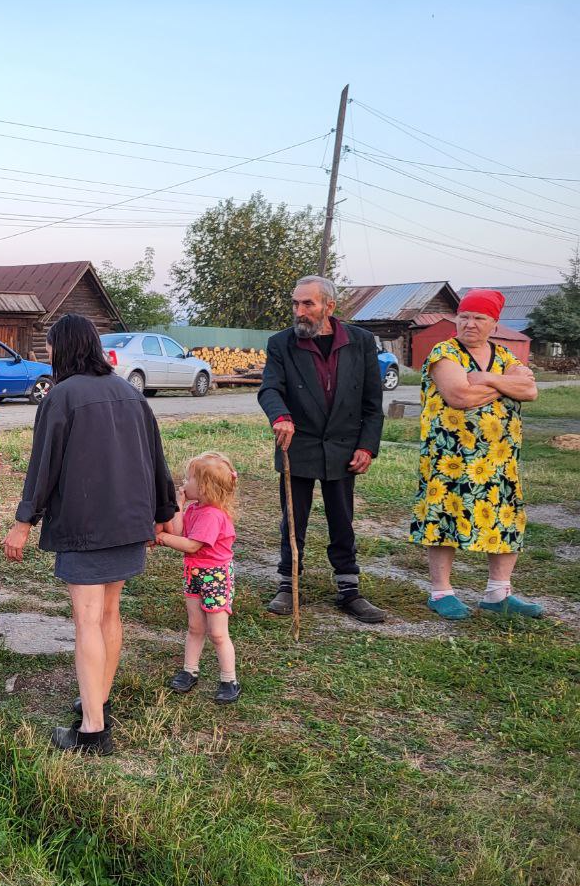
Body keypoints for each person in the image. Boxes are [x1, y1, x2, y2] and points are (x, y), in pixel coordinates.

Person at [3, 314, 177, 756]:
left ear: (63, 348)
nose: (46, 353)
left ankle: (92, 730)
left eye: (48, 346)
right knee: (109, 614)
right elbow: (155, 455)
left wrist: (23, 522)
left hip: (86, 524)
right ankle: (97, 697)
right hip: (128, 522)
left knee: (87, 621)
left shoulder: (62, 396)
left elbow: (43, 466)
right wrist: (163, 512)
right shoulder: (128, 392)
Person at [257, 275, 387, 623]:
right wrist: (280, 415)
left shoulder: (360, 342)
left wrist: (367, 446)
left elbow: (373, 403)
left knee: (342, 519)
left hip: (344, 447)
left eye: (307, 304)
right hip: (296, 443)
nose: (299, 311)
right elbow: (269, 389)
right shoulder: (281, 343)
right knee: (293, 520)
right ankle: (288, 583)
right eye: (295, 304)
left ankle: (349, 590)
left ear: (329, 306)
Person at [410, 290, 542, 619]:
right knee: (444, 517)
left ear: (493, 323)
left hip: (499, 458)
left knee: (505, 517)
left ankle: (498, 594)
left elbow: (531, 390)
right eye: (464, 316)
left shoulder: (505, 355)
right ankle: (441, 593)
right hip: (449, 455)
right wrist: (504, 384)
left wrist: (484, 379)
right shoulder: (445, 352)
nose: (470, 324)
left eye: (479, 318)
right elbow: (458, 396)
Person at [156, 452, 241, 704]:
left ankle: (229, 678)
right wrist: (179, 507)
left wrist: (162, 538)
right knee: (195, 626)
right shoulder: (195, 508)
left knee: (217, 632)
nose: (184, 482)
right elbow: (181, 530)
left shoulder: (214, 516)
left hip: (215, 577)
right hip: (194, 574)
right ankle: (189, 670)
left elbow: (191, 545)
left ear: (203, 487)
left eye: (189, 478)